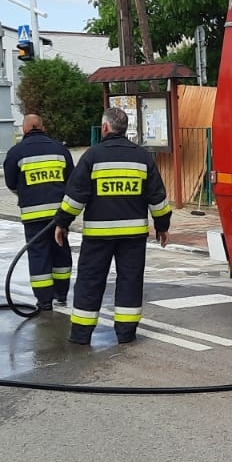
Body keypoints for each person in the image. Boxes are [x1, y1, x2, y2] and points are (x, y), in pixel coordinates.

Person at [53, 106, 172, 346]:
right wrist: (162, 226)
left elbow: (76, 196)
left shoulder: (92, 156)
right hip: (133, 236)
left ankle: (81, 335)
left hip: (99, 236)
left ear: (105, 127)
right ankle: (126, 334)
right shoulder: (142, 157)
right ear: (124, 129)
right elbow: (157, 198)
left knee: (90, 281)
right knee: (130, 280)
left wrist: (62, 222)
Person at [3, 114, 75, 311]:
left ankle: (44, 301)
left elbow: (11, 183)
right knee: (61, 252)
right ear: (42, 128)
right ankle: (61, 294)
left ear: (24, 130)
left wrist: (26, 194)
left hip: (33, 216)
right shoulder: (60, 150)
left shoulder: (16, 153)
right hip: (60, 216)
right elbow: (72, 182)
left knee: (38, 256)